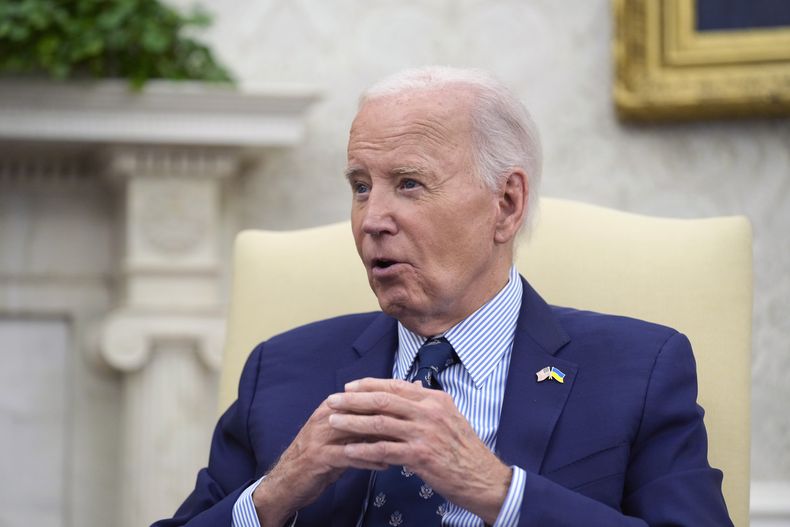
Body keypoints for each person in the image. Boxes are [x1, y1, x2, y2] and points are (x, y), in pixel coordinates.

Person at [153, 66, 733, 527]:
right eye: (360, 187)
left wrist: (498, 492)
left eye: (409, 183)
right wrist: (276, 493)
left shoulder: (639, 369)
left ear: (506, 205)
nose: (372, 219)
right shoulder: (280, 369)